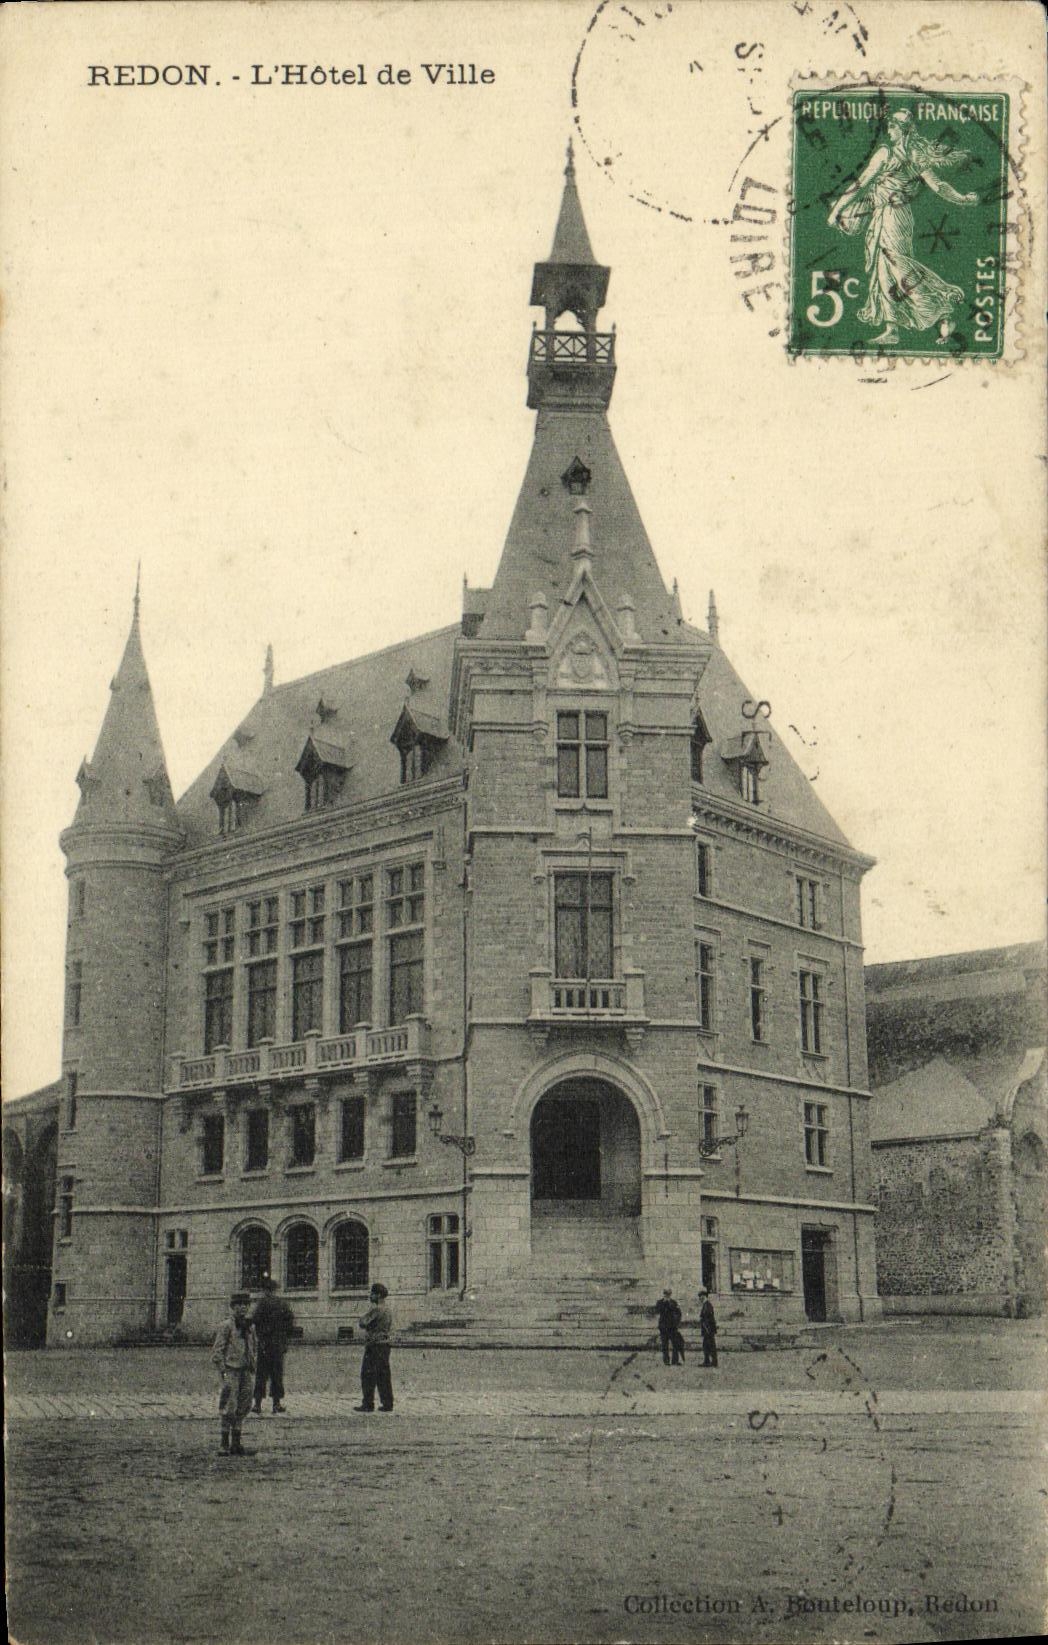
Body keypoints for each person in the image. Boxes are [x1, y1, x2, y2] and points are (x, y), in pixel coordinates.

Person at [827, 107, 979, 345]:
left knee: (897, 267)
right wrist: (963, 199)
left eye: (892, 126)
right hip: (890, 215)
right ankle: (893, 328)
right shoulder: (914, 155)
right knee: (885, 269)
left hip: (892, 217)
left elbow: (860, 184)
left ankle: (941, 305)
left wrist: (836, 210)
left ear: (903, 129)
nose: (889, 130)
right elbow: (938, 186)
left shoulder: (888, 153)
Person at [212, 1290, 257, 1455]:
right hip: (231, 1370)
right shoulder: (226, 1326)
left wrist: (252, 1364)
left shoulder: (250, 1326)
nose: (243, 1308)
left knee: (244, 1404)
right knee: (229, 1406)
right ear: (233, 1307)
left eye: (246, 1305)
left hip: (246, 1370)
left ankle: (236, 1443)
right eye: (239, 1305)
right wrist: (223, 1370)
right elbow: (217, 1351)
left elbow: (253, 1346)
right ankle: (224, 1443)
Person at [251, 1276, 294, 1414]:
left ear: (265, 1290)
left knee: (261, 1374)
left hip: (265, 1344)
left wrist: (260, 1335)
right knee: (277, 1374)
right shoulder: (283, 1304)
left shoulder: (262, 1304)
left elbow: (255, 1320)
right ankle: (276, 1404)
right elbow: (290, 1323)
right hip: (278, 1344)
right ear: (275, 1290)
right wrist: (285, 1340)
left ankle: (257, 1404)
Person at [355, 1282, 394, 1412]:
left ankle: (368, 1403)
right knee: (383, 1375)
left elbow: (363, 1322)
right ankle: (387, 1403)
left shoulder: (376, 1309)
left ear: (378, 1295)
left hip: (374, 1345)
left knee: (367, 1374)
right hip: (385, 1345)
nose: (370, 1296)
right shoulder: (388, 1310)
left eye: (372, 1293)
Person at [653, 1287, 685, 1366]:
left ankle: (675, 1361)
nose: (667, 1295)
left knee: (675, 1344)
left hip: (672, 1327)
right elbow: (657, 1311)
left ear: (670, 1294)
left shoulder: (673, 1302)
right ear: (663, 1294)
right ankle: (666, 1361)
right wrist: (664, 1303)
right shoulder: (660, 1302)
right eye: (666, 1294)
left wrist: (676, 1323)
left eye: (668, 1294)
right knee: (664, 1345)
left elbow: (679, 1313)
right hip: (663, 1327)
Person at [698, 1290, 718, 1368]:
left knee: (709, 1345)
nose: (699, 1298)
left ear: (704, 1296)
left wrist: (707, 1329)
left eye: (700, 1296)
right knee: (708, 1345)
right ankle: (710, 1361)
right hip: (708, 1329)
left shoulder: (707, 1305)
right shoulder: (706, 1305)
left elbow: (707, 1318)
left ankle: (710, 1361)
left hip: (708, 1329)